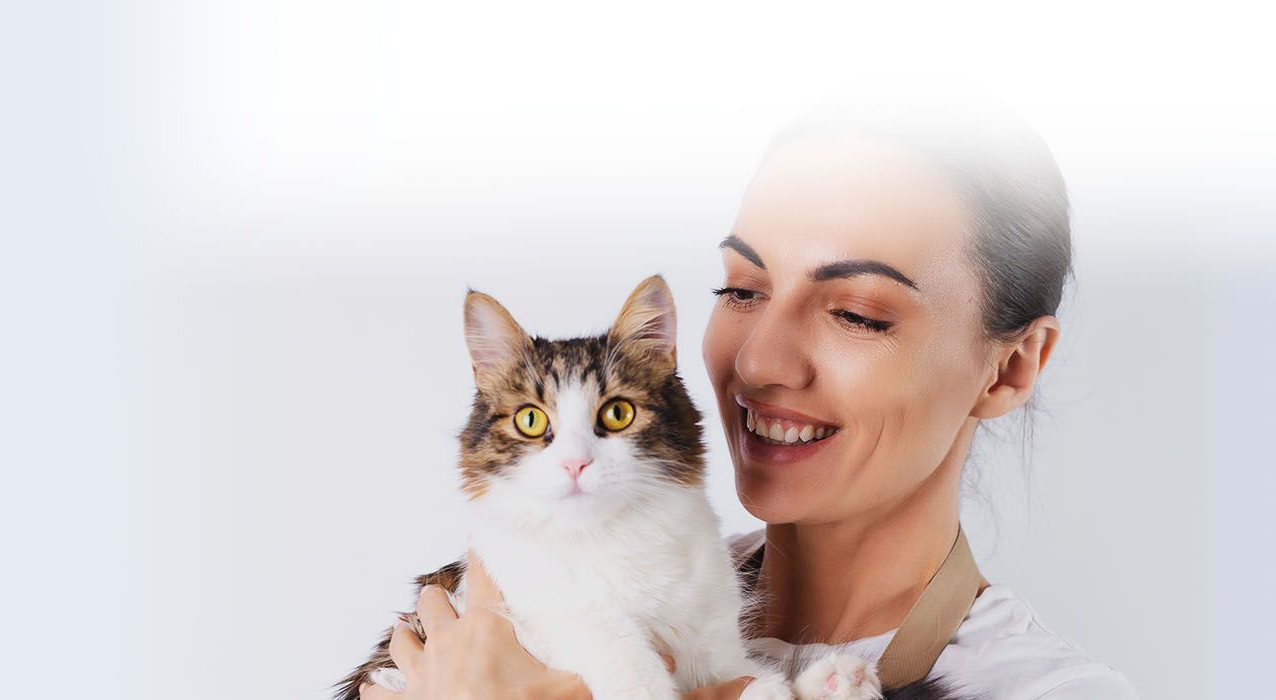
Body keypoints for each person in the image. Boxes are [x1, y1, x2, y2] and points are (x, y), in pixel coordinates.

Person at [359, 98, 1139, 700]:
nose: (760, 359)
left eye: (856, 312)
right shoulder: (544, 589)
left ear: (1008, 369)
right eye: (741, 289)